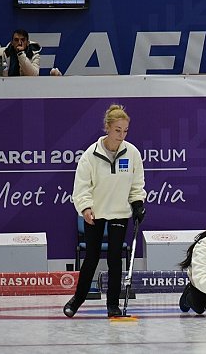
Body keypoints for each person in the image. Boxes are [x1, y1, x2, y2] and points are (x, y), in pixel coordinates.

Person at [64, 104, 147, 318]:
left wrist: (138, 203)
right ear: (107, 128)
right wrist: (85, 207)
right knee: (91, 258)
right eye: (118, 130)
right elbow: (81, 186)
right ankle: (77, 299)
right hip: (96, 213)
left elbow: (137, 184)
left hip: (119, 212)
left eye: (125, 130)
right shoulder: (90, 155)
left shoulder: (133, 153)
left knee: (114, 258)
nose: (122, 135)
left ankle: (112, 304)